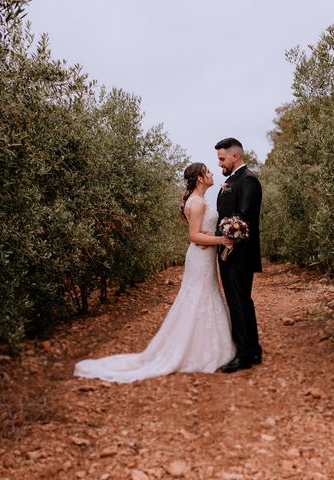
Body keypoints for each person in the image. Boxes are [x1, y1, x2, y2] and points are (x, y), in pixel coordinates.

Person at [73, 163, 235, 383]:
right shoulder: (196, 203)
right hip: (200, 256)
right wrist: (219, 239)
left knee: (205, 295)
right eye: (208, 172)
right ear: (199, 178)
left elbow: (201, 231)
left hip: (204, 257)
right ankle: (195, 351)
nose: (212, 174)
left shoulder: (201, 200)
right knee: (198, 297)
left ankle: (205, 345)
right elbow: (194, 237)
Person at [215, 137, 263, 373]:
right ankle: (253, 350)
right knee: (241, 301)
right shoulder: (233, 180)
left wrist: (226, 241)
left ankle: (244, 355)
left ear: (236, 156)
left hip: (239, 255)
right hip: (230, 253)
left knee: (239, 302)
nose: (220, 164)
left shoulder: (249, 181)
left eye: (222, 159)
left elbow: (242, 219)